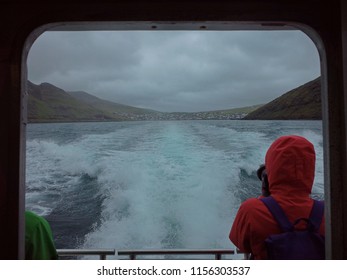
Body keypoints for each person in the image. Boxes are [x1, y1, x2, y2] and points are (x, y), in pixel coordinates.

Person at [229, 135, 325, 259]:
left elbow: (241, 244)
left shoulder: (251, 209)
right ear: (309, 168)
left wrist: (266, 198)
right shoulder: (330, 214)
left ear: (272, 168)